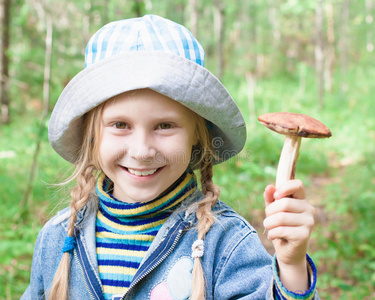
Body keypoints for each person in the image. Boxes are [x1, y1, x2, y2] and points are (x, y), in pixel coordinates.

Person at [22, 15, 318, 300]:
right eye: (120, 125)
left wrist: (291, 267)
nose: (141, 150)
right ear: (91, 135)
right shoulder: (58, 240)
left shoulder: (225, 244)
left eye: (164, 126)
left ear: (197, 136)